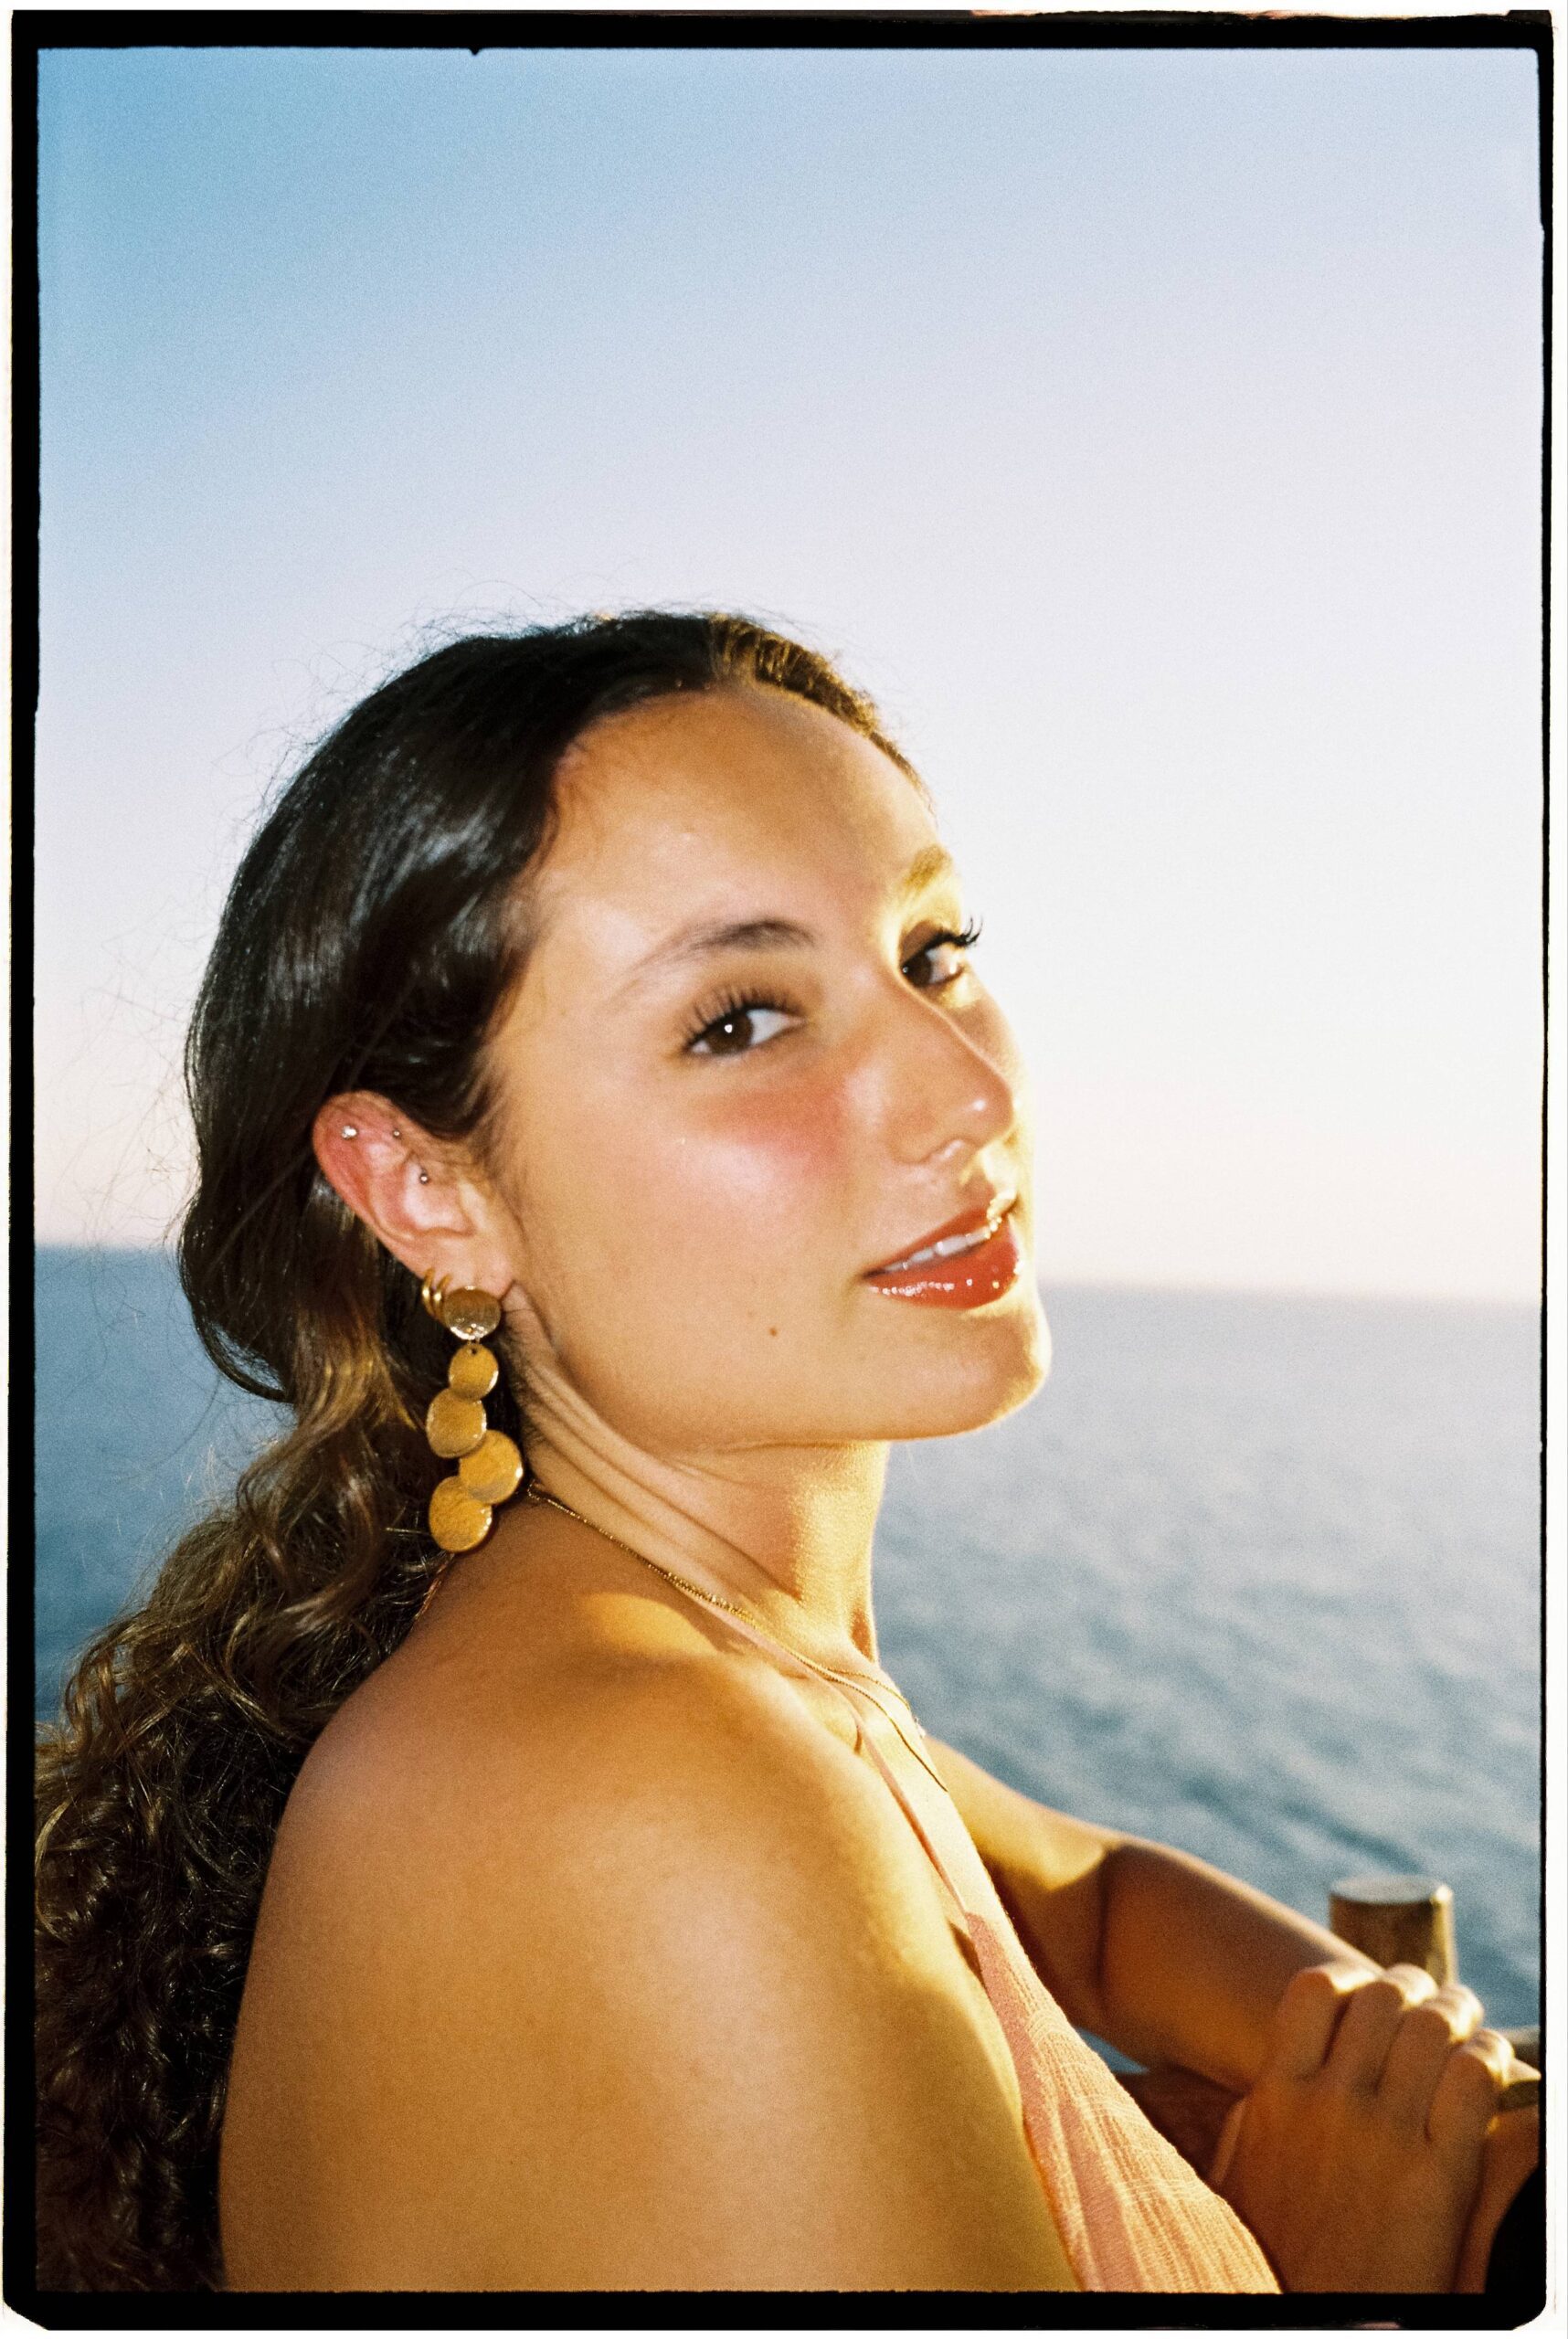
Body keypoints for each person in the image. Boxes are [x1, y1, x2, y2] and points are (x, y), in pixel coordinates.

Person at [35, 613, 1537, 2295]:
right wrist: (1344, 2262)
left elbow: (1089, 1905)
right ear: (429, 1191)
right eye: (744, 1020)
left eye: (933, 951)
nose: (967, 1091)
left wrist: (1433, 2089)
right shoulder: (653, 1790)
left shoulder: (721, 1679)